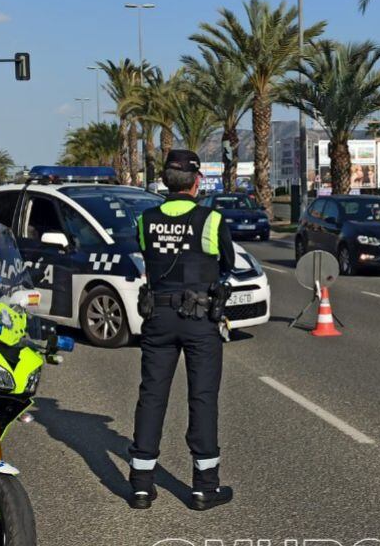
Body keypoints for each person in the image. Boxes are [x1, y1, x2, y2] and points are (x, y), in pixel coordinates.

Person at [128, 149, 235, 511]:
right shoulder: (211, 219)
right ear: (196, 181)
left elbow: (144, 250)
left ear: (163, 181)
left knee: (152, 396)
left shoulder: (145, 219)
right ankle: (205, 487)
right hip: (199, 318)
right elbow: (227, 262)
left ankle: (141, 485)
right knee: (202, 398)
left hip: (157, 316)